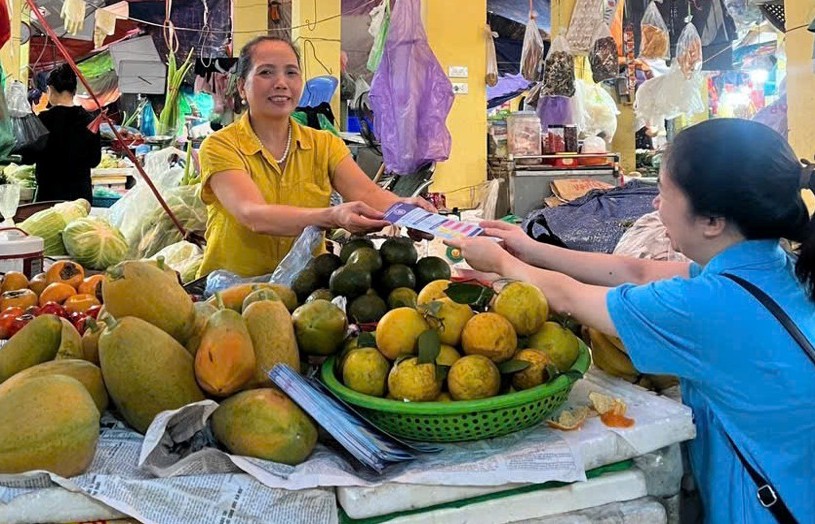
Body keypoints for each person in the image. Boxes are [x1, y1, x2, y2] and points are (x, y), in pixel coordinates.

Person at [447, 119, 814, 523]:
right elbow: (635, 271)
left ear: (712, 221)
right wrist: (529, 248)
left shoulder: (707, 307)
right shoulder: (776, 267)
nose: (655, 205)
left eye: (664, 192)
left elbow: (570, 299)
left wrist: (500, 263)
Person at [197, 36, 432, 277]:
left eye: (291, 73)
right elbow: (253, 214)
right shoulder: (220, 146)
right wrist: (331, 217)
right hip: (230, 291)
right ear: (241, 87)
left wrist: (405, 209)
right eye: (266, 72)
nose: (281, 83)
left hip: (306, 289)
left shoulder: (325, 144)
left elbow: (367, 194)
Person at [21, 64, 101, 202]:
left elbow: (29, 157)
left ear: (50, 89)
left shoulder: (44, 120)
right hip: (80, 197)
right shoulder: (89, 120)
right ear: (74, 90)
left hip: (49, 196)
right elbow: (94, 160)